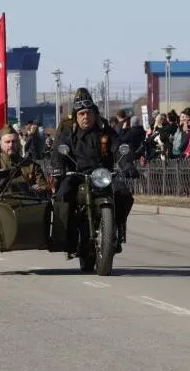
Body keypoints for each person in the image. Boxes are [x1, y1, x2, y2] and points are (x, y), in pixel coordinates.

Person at [50, 88, 136, 256]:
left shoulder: (104, 129)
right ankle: (64, 238)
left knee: (124, 194)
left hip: (102, 176)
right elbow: (58, 151)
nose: (85, 117)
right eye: (81, 113)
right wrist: (59, 168)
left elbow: (118, 147)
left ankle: (117, 230)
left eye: (89, 113)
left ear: (95, 114)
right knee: (62, 195)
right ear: (76, 115)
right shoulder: (68, 131)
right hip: (76, 176)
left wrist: (127, 165)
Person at [0, 124, 47, 239]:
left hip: (27, 207)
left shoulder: (31, 165)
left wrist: (39, 188)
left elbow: (44, 186)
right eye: (7, 142)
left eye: (14, 141)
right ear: (0, 144)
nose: (11, 145)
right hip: (1, 207)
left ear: (18, 143)